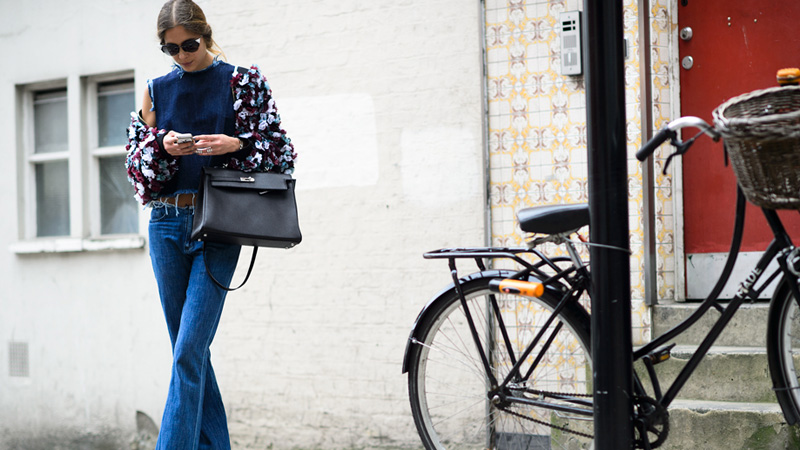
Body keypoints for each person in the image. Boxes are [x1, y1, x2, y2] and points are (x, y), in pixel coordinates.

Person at [124, 1, 295, 448]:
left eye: (190, 44)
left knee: (187, 352)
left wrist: (234, 144)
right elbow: (136, 171)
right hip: (165, 224)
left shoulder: (242, 82)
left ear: (206, 34)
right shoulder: (155, 91)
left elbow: (281, 152)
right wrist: (161, 148)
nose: (182, 55)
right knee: (191, 353)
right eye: (171, 48)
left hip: (218, 225)